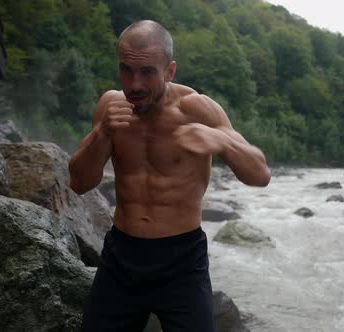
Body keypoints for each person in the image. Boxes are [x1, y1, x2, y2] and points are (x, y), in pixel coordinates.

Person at [68, 20, 271, 331]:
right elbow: (80, 183)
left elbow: (260, 175)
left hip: (183, 262)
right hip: (121, 257)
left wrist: (224, 142)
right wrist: (102, 133)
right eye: (126, 70)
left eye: (148, 72)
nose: (134, 84)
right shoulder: (111, 106)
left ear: (170, 70)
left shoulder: (197, 109)